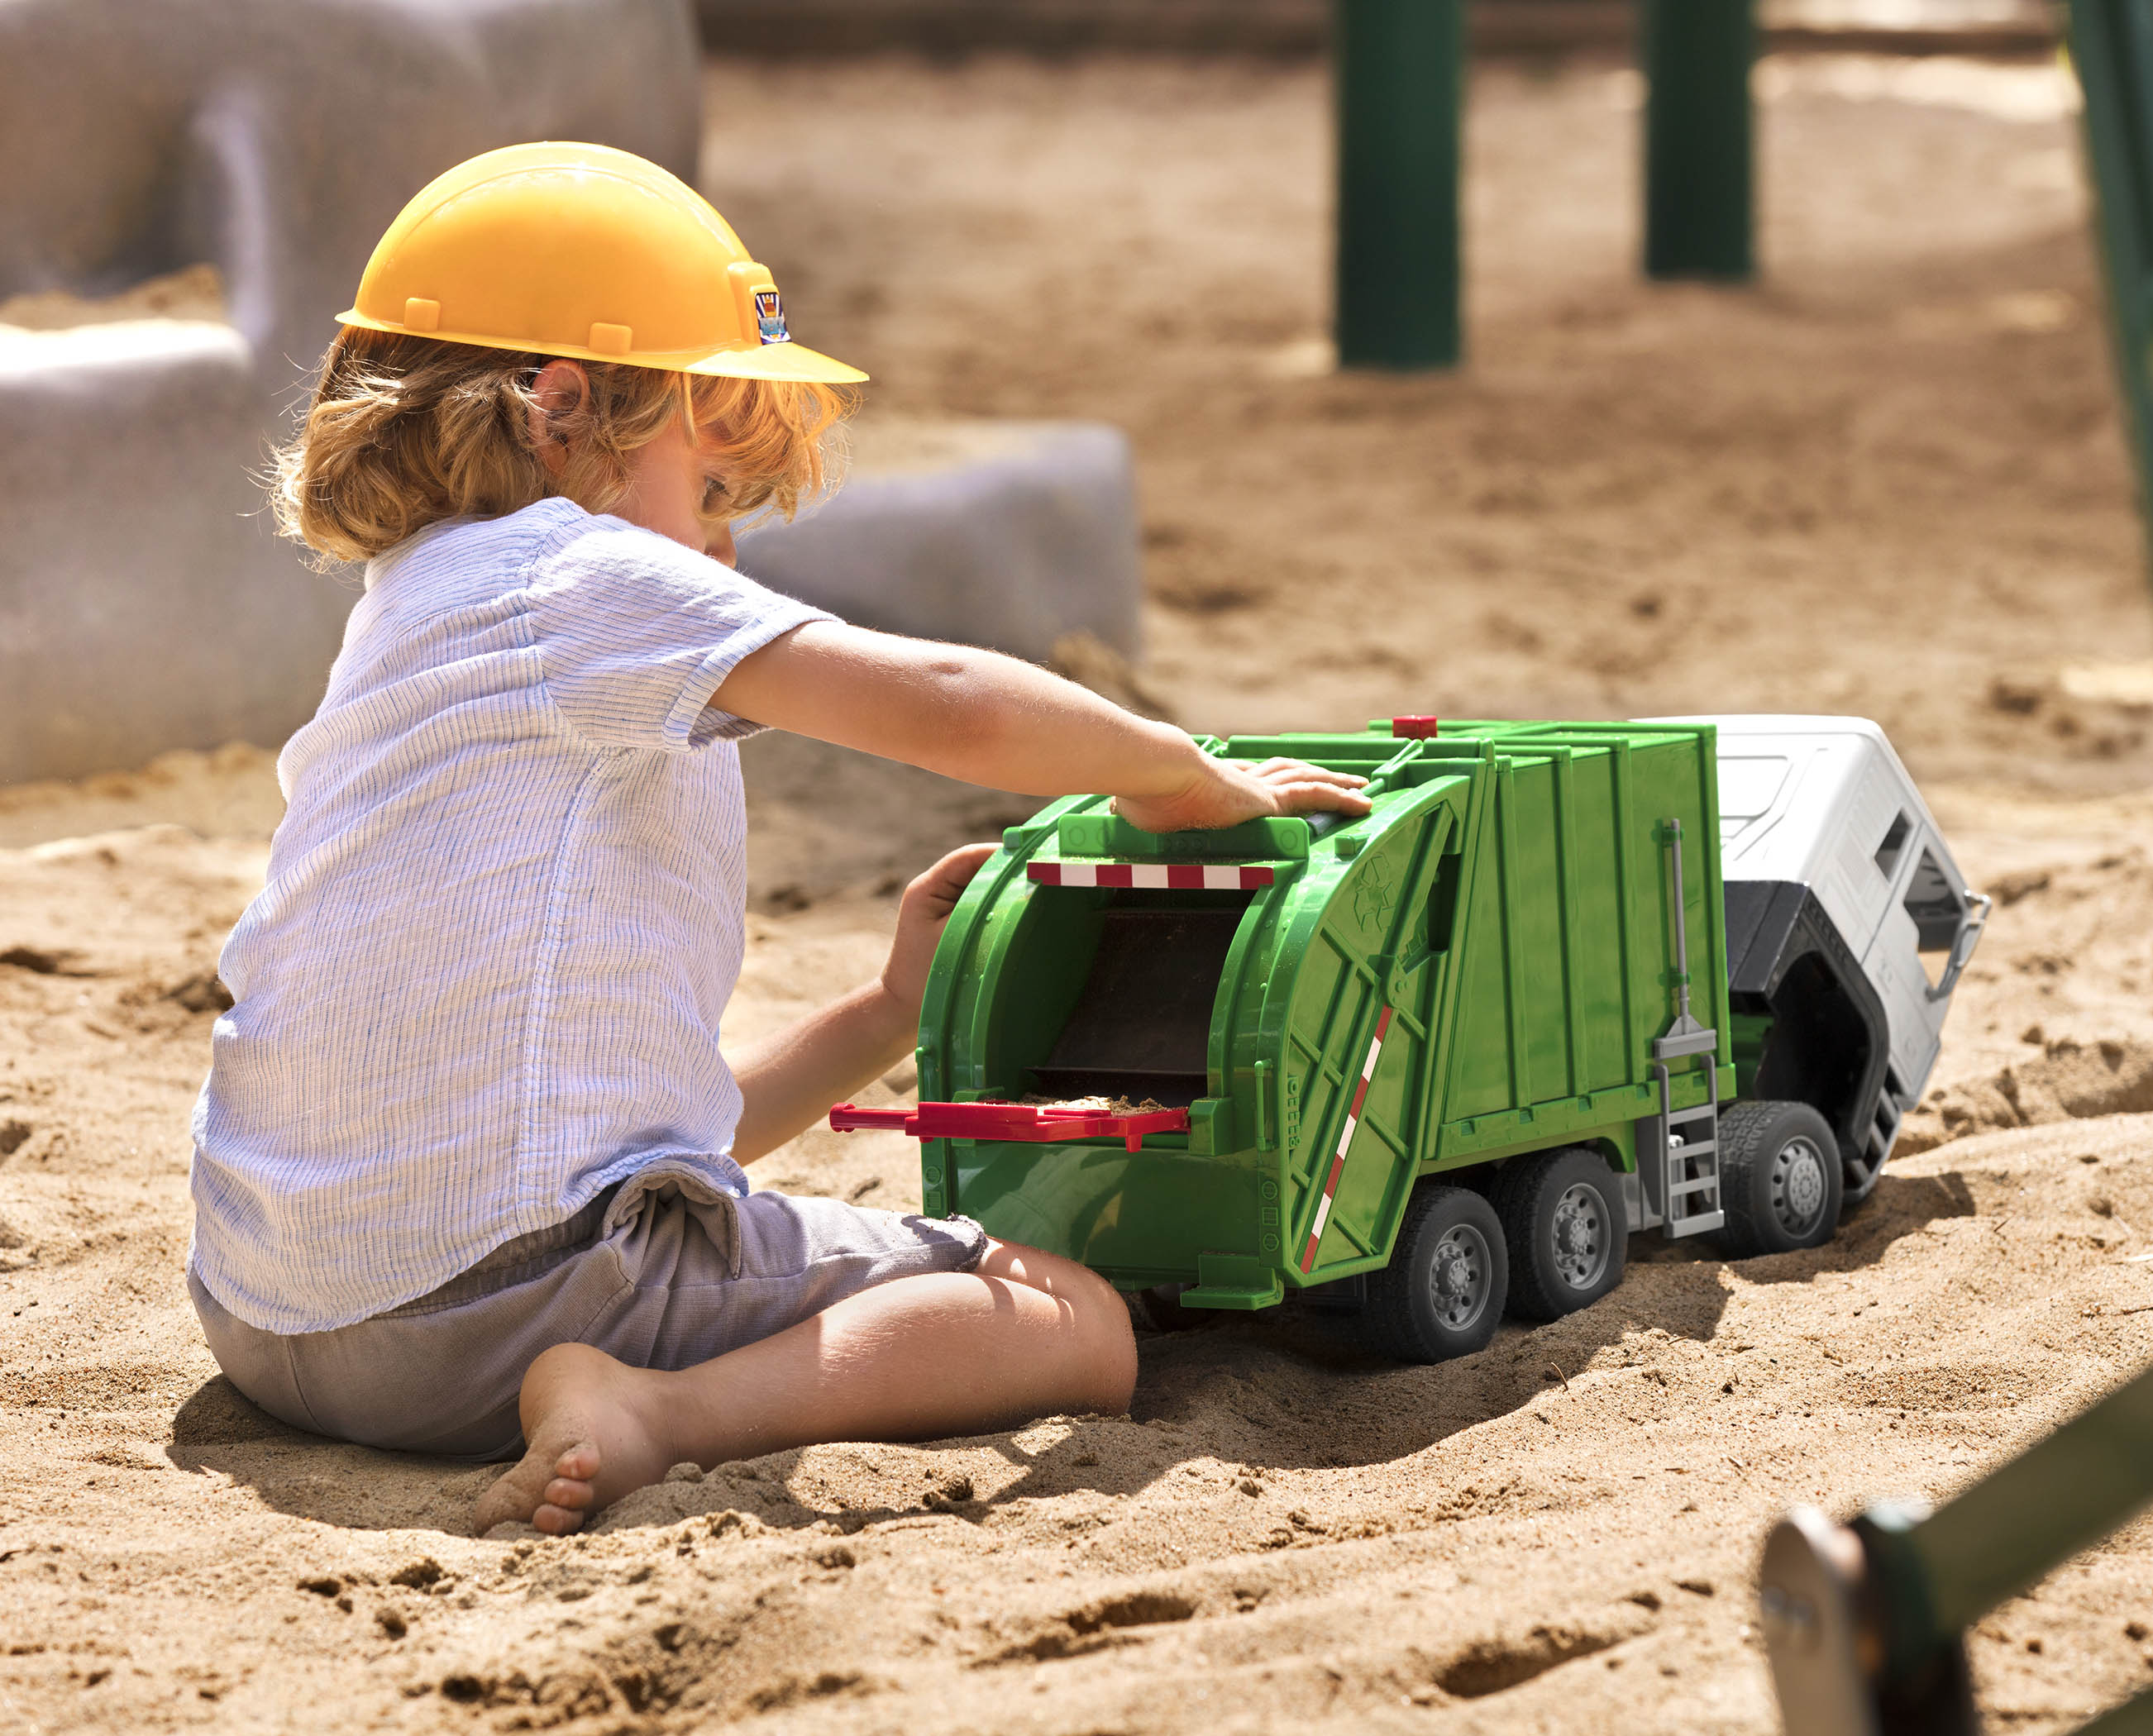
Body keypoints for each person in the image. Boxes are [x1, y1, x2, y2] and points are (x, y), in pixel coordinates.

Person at [185, 143, 1369, 1537]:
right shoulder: (580, 575)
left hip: (274, 1320)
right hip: (497, 1321)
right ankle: (654, 1413)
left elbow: (595, 1141)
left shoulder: (408, 618)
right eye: (710, 491)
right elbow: (946, 706)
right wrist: (1178, 775)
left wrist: (882, 1012)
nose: (725, 558)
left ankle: (620, 1377)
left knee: (659, 1242)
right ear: (563, 409)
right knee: (1072, 1320)